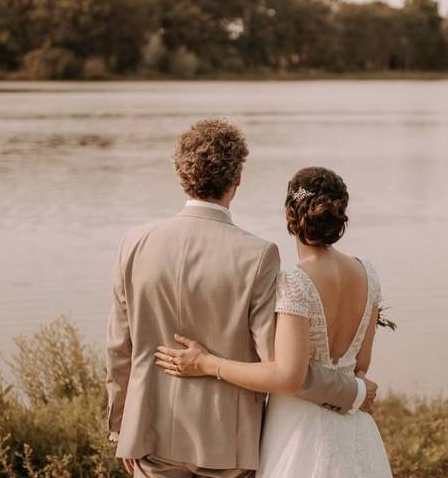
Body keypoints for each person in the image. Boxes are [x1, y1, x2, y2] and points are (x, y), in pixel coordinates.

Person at [105, 120, 378, 477]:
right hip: (226, 441)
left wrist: (121, 426)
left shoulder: (134, 242)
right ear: (237, 180)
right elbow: (281, 365)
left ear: (180, 175)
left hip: (150, 432)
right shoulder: (258, 255)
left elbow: (118, 347)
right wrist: (352, 390)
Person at [155, 165, 392, 477]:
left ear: (288, 215)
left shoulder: (295, 282)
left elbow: (287, 377)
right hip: (354, 429)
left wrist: (207, 363)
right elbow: (361, 364)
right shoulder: (368, 273)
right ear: (340, 216)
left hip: (298, 430)